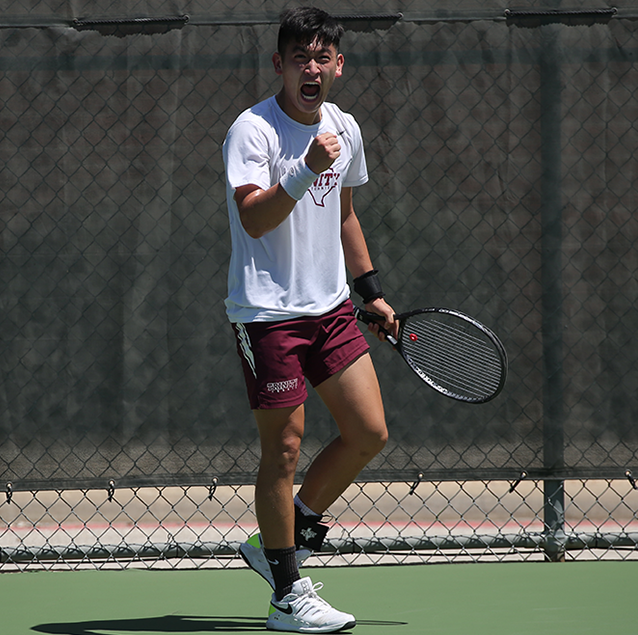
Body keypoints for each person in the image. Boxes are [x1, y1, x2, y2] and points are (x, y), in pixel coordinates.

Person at [222, 6, 398, 634]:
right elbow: (254, 218)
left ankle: (282, 536)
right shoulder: (253, 131)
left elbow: (344, 213)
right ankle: (286, 593)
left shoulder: (344, 128)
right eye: (301, 57)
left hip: (331, 309)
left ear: (339, 66)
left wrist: (369, 289)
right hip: (268, 316)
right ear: (280, 65)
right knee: (285, 450)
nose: (313, 67)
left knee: (368, 432)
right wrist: (302, 171)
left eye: (323, 57)